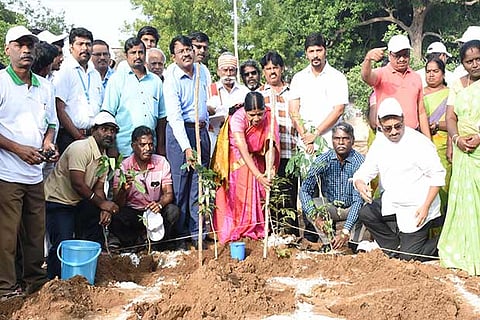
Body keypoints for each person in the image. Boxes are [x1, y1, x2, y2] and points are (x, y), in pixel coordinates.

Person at [0, 26, 57, 298]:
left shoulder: (44, 86)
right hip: (7, 172)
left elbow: (52, 124)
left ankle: (35, 282)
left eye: (30, 45)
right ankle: (6, 288)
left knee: (36, 233)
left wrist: (48, 143)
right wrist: (18, 149)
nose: (26, 50)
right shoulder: (1, 82)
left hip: (35, 172)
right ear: (7, 49)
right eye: (19, 45)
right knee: (7, 237)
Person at [353, 98, 445, 261]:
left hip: (418, 206)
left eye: (398, 126)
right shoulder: (380, 142)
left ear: (403, 120)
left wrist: (425, 207)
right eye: (388, 128)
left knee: (410, 258)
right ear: (380, 125)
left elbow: (437, 176)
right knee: (367, 212)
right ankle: (394, 248)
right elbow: (365, 171)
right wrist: (360, 183)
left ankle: (447, 242)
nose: (394, 132)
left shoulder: (419, 142)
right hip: (393, 202)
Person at [44, 112, 120, 279]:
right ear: (93, 130)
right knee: (62, 244)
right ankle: (54, 282)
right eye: (104, 129)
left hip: (78, 202)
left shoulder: (104, 158)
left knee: (92, 231)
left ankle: (84, 276)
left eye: (113, 131)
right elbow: (77, 183)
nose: (109, 134)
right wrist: (102, 204)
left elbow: (99, 188)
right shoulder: (81, 148)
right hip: (59, 201)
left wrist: (104, 208)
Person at [213, 91, 279, 243]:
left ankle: (255, 227)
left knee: (261, 190)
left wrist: (268, 170)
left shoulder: (269, 115)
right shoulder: (237, 118)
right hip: (237, 156)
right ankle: (240, 229)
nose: (256, 119)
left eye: (259, 114)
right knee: (241, 189)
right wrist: (257, 175)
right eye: (252, 115)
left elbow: (270, 144)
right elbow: (242, 147)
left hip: (257, 155)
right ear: (245, 112)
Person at [163, 35, 210, 249]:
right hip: (180, 133)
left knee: (199, 185)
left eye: (189, 49)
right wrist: (187, 148)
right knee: (181, 185)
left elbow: (207, 103)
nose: (187, 53)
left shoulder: (203, 71)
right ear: (174, 57)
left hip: (200, 131)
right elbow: (175, 117)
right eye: (181, 51)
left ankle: (197, 233)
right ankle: (179, 236)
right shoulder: (170, 77)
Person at [438, 39, 480, 275]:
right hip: (463, 149)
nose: (475, 64)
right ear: (463, 63)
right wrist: (456, 139)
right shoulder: (456, 85)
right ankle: (463, 252)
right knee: (463, 201)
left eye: (478, 59)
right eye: (469, 61)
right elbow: (450, 117)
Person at [110, 126, 180, 249]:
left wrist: (159, 204)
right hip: (134, 213)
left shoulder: (161, 162)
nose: (148, 149)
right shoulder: (124, 167)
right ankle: (135, 242)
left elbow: (168, 193)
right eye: (143, 145)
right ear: (133, 146)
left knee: (172, 211)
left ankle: (155, 244)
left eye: (150, 144)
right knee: (116, 215)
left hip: (154, 211)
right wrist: (123, 190)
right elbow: (117, 202)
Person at [300, 122, 365, 249]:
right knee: (314, 204)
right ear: (332, 140)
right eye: (337, 138)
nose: (341, 142)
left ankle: (354, 244)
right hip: (331, 207)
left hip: (351, 206)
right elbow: (304, 189)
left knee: (366, 208)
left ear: (352, 140)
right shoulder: (323, 160)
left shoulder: (359, 161)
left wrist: (345, 230)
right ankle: (328, 243)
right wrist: (315, 216)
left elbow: (358, 200)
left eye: (345, 138)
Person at [102, 37, 165, 157]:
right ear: (126, 55)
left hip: (149, 148)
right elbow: (108, 115)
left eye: (140, 52)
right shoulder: (117, 80)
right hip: (123, 147)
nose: (137, 56)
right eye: (133, 53)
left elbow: (162, 117)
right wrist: (112, 146)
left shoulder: (156, 81)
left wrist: (161, 146)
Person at [258, 50, 298, 233]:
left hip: (290, 152)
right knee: (271, 194)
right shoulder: (259, 95)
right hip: (268, 156)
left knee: (289, 195)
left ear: (282, 69)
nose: (272, 72)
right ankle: (272, 233)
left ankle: (290, 234)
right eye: (268, 68)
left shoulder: (293, 92)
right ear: (264, 72)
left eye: (275, 67)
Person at [289, 32, 348, 154]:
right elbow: (293, 111)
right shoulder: (298, 78)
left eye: (319, 50)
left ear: (325, 51)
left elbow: (338, 110)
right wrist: (306, 137)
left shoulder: (337, 77)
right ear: (306, 54)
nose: (315, 55)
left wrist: (315, 134)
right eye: (311, 51)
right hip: (306, 147)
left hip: (332, 145)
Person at [362, 34, 431, 138]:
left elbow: (421, 112)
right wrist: (368, 59)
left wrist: (428, 141)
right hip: (388, 135)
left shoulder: (416, 77)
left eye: (405, 55)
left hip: (412, 135)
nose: (402, 59)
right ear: (390, 55)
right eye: (398, 55)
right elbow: (366, 77)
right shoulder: (381, 74)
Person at [53, 27, 104, 153]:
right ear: (71, 47)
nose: (85, 48)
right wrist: (78, 136)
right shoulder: (65, 71)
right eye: (80, 44)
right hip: (70, 137)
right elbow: (59, 108)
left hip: (92, 137)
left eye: (88, 44)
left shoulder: (95, 74)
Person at [423, 57, 451, 213]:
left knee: (443, 184)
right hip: (423, 144)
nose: (431, 75)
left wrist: (438, 125)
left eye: (435, 71)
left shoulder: (451, 94)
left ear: (443, 74)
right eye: (428, 71)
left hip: (443, 145)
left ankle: (441, 227)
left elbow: (456, 121)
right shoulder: (419, 93)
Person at [207, 52, 249, 152]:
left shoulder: (244, 92)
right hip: (215, 139)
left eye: (231, 70)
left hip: (238, 140)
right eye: (225, 70)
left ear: (236, 71)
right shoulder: (208, 90)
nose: (228, 74)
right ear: (218, 71)